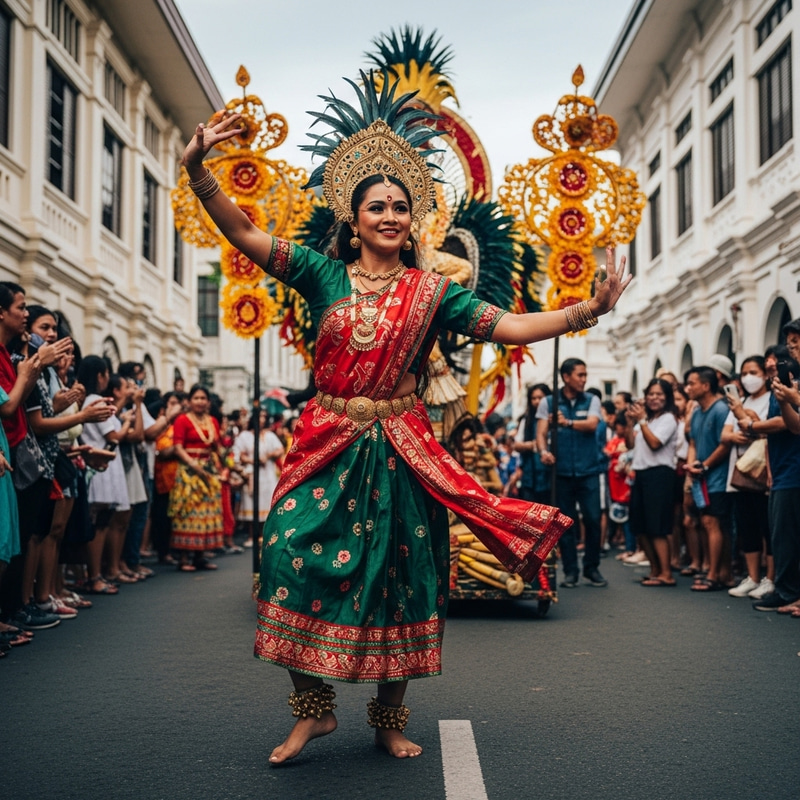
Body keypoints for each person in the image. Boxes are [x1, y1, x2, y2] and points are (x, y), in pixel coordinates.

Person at [179, 72, 629, 764]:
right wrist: (197, 170)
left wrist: (588, 312)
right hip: (326, 442)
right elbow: (242, 232)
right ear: (352, 219)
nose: (388, 216)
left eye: (398, 207)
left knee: (401, 577)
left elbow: (506, 326)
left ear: (410, 218)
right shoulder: (320, 274)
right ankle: (314, 710)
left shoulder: (431, 291)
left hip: (402, 446)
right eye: (375, 207)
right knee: (285, 552)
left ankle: (389, 717)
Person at [536, 358, 607, 588]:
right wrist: (543, 451)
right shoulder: (549, 402)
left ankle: (591, 567)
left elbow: (592, 424)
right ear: (566, 377)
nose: (584, 379)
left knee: (594, 519)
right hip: (562, 472)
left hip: (589, 471)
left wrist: (566, 423)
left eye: (585, 375)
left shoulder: (593, 399)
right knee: (565, 524)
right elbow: (541, 432)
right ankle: (570, 571)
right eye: (580, 375)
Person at [721, 356, 773, 599]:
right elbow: (727, 433)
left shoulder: (771, 399)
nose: (748, 377)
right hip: (741, 470)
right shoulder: (740, 400)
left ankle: (769, 578)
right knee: (747, 526)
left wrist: (746, 420)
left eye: (753, 371)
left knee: (767, 526)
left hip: (762, 470)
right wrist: (739, 431)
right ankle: (752, 577)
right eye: (744, 373)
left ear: (764, 374)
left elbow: (761, 426)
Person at [624, 378, 679, 586]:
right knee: (640, 526)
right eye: (651, 394)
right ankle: (655, 570)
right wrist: (631, 423)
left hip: (660, 475)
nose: (654, 398)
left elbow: (655, 443)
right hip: (641, 473)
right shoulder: (648, 420)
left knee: (657, 526)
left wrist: (641, 421)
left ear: (667, 397)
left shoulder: (669, 419)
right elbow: (629, 444)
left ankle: (666, 573)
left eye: (659, 394)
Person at [684, 366, 732, 592]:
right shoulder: (696, 412)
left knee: (713, 523)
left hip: (719, 477)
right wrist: (693, 467)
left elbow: (726, 443)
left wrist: (704, 466)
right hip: (700, 477)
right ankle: (719, 572)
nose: (688, 388)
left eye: (692, 383)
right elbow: (693, 443)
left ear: (706, 385)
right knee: (706, 522)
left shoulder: (721, 409)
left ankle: (714, 575)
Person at [168, 384, 224, 571]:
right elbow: (177, 448)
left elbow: (217, 447)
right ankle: (184, 558)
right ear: (189, 401)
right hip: (188, 473)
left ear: (208, 402)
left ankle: (200, 556)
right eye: (196, 398)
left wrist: (230, 467)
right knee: (188, 512)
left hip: (208, 471)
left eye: (203, 398)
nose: (200, 402)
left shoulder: (212, 421)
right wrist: (194, 467)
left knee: (207, 513)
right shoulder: (182, 420)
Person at [232, 409, 284, 547]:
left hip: (267, 474)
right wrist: (253, 460)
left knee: (266, 502)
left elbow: (280, 450)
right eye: (260, 416)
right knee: (251, 501)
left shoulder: (270, 435)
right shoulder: (245, 436)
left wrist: (268, 456)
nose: (262, 419)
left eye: (264, 416)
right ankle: (251, 535)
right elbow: (239, 454)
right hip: (252, 473)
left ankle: (264, 535)